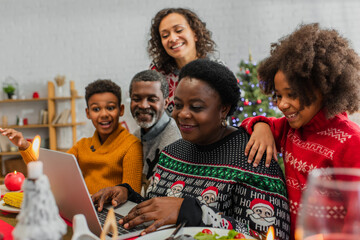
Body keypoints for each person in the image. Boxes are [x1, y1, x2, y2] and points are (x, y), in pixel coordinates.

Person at [92, 60, 290, 240]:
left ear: (224, 109)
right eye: (178, 105)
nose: (182, 114)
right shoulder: (172, 152)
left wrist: (193, 212)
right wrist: (128, 195)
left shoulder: (253, 158)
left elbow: (267, 236)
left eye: (196, 107)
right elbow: (160, 209)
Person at [240, 23, 360, 239]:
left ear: (323, 88)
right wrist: (261, 126)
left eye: (292, 94)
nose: (282, 105)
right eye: (278, 95)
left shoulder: (351, 140)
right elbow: (246, 123)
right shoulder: (289, 128)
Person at [0, 79, 143, 195]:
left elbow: (131, 195)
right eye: (96, 109)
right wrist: (23, 144)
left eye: (110, 107)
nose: (104, 114)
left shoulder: (131, 145)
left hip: (111, 213)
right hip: (84, 209)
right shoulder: (82, 146)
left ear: (121, 110)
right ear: (88, 113)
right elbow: (50, 170)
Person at [148, 7, 223, 114]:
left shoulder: (217, 69)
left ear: (195, 34)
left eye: (179, 30)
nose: (172, 39)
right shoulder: (157, 72)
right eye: (165, 35)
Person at [129, 70, 181, 195]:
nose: (143, 105)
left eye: (152, 99)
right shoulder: (134, 137)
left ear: (166, 103)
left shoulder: (175, 142)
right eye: (136, 99)